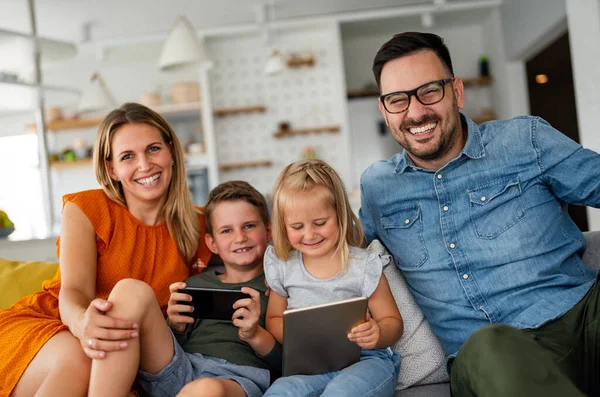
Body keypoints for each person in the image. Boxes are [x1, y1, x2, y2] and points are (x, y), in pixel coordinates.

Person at [359, 31, 600, 396]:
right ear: (384, 110)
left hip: (582, 317)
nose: (416, 111)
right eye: (397, 100)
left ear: (456, 91)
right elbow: (333, 253)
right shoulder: (377, 187)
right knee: (490, 345)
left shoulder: (525, 140)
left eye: (429, 91)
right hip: (489, 355)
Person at [0, 102, 212, 397]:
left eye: (153, 149)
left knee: (101, 350)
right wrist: (83, 325)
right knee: (79, 358)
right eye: (128, 156)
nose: (144, 165)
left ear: (172, 153)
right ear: (111, 169)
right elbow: (73, 292)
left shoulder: (201, 225)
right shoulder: (87, 209)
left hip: (126, 351)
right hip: (55, 324)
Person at [86, 180, 282, 397]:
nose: (240, 237)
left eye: (249, 226)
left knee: (206, 388)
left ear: (269, 231)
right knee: (129, 289)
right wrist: (174, 327)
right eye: (226, 230)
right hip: (179, 367)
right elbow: (167, 344)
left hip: (235, 377)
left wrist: (255, 334)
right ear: (212, 244)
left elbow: (288, 362)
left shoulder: (279, 287)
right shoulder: (194, 284)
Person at [263, 159, 403, 397]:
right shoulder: (283, 265)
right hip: (309, 364)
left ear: (339, 215)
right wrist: (299, 336)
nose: (309, 234)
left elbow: (392, 321)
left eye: (320, 223)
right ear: (283, 227)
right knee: (280, 393)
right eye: (297, 227)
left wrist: (377, 333)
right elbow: (274, 317)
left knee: (342, 393)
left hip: (365, 360)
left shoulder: (363, 265)